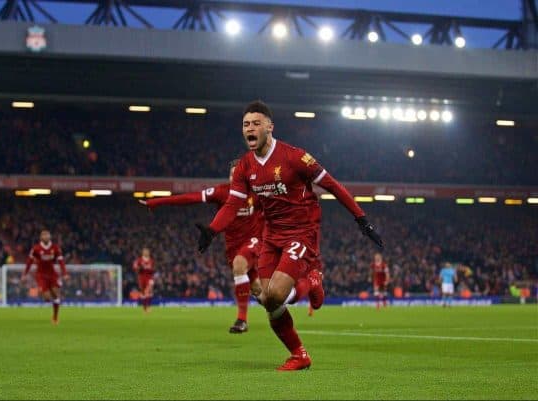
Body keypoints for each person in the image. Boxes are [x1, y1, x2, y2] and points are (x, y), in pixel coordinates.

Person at [196, 100, 383, 370]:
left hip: (301, 232)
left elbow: (333, 186)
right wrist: (212, 230)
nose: (250, 128)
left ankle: (312, 281)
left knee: (278, 294)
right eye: (246, 124)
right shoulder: (244, 167)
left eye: (256, 123)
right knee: (266, 298)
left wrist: (362, 220)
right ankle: (299, 355)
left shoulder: (295, 157)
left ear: (270, 127)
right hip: (271, 235)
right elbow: (233, 204)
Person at [140, 160, 264, 333]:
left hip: (254, 241)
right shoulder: (222, 192)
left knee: (239, 264)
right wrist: (158, 202)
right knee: (258, 289)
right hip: (232, 246)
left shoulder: (257, 192)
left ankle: (241, 320)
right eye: (233, 175)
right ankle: (279, 304)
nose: (236, 178)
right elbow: (191, 197)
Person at [22, 229, 69, 324]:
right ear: (41, 237)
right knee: (47, 298)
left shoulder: (55, 248)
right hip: (41, 275)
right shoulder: (36, 248)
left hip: (52, 274)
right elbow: (29, 261)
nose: (46, 237)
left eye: (47, 235)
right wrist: (25, 274)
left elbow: (61, 262)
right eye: (44, 235)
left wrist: (65, 273)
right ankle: (44, 292)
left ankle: (55, 317)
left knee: (56, 295)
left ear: (50, 236)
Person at [132, 247, 155, 313]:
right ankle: (145, 308)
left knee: (148, 291)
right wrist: (139, 268)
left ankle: (149, 307)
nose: (146, 252)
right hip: (142, 278)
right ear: (143, 252)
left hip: (150, 278)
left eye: (147, 251)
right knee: (144, 294)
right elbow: (134, 266)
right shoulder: (139, 260)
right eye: (145, 251)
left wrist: (149, 269)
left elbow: (153, 269)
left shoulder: (151, 260)